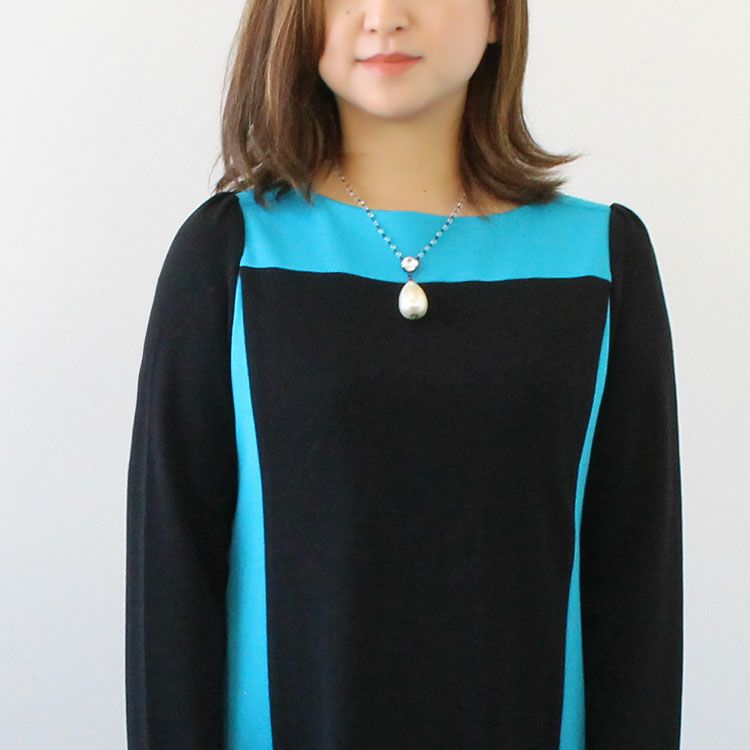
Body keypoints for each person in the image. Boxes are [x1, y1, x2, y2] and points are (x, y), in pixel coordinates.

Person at [125, 1, 683, 748]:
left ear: (497, 15)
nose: (383, 16)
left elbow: (638, 594)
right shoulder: (231, 255)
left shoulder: (601, 261)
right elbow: (171, 586)